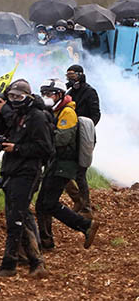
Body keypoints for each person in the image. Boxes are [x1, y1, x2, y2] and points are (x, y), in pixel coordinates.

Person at [0, 80, 51, 278]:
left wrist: (16, 148)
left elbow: (45, 149)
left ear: (29, 97)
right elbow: (0, 130)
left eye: (19, 97)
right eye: (11, 97)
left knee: (16, 220)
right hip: (12, 170)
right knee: (18, 218)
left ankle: (11, 264)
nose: (15, 101)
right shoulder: (17, 115)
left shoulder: (37, 117)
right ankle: (35, 262)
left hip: (27, 171)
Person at [34, 79, 101, 250]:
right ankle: (46, 242)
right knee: (42, 204)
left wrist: (41, 136)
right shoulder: (53, 112)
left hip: (64, 164)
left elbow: (62, 139)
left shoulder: (68, 113)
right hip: (55, 163)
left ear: (59, 95)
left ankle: (85, 225)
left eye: (50, 93)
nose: (46, 97)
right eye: (44, 93)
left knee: (48, 203)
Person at [65, 64, 100, 216]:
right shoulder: (69, 92)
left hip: (85, 137)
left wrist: (85, 128)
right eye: (68, 76)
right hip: (70, 137)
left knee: (80, 173)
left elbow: (96, 115)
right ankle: (78, 199)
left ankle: (86, 208)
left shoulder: (90, 92)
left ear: (80, 75)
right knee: (62, 170)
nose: (71, 79)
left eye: (73, 75)